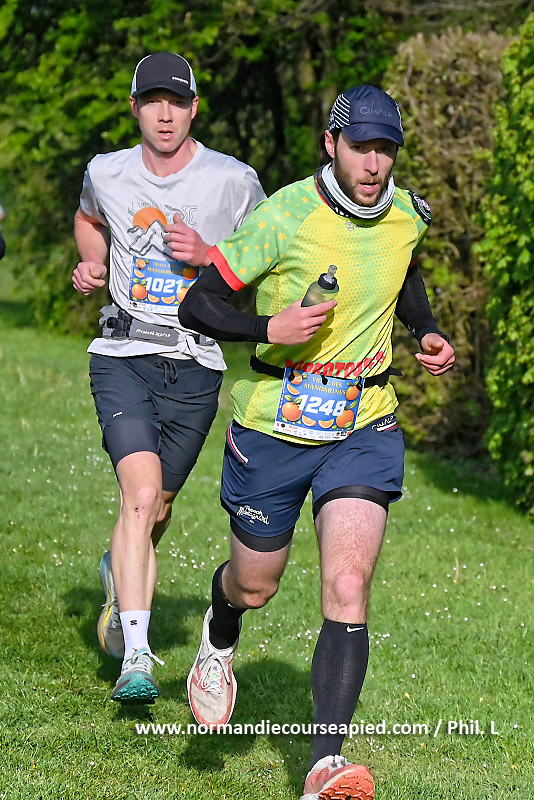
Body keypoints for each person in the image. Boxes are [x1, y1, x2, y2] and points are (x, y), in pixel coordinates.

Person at [178, 85, 455, 799]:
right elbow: (198, 302)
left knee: (348, 584)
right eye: (361, 147)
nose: (374, 163)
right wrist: (267, 328)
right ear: (331, 144)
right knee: (256, 584)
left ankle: (324, 764)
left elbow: (404, 273)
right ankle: (221, 627)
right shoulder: (286, 213)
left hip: (365, 420)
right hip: (274, 422)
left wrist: (424, 330)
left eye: (386, 148)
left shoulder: (407, 214)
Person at [72, 51, 265, 705]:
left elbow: (268, 252)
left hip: (197, 365)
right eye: (153, 101)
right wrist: (93, 260)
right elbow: (88, 217)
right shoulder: (106, 171)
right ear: (134, 107)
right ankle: (137, 657)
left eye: (176, 102)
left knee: (156, 509)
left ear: (194, 109)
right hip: (122, 354)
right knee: (140, 493)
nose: (164, 114)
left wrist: (211, 255)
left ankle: (117, 571)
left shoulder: (233, 181)